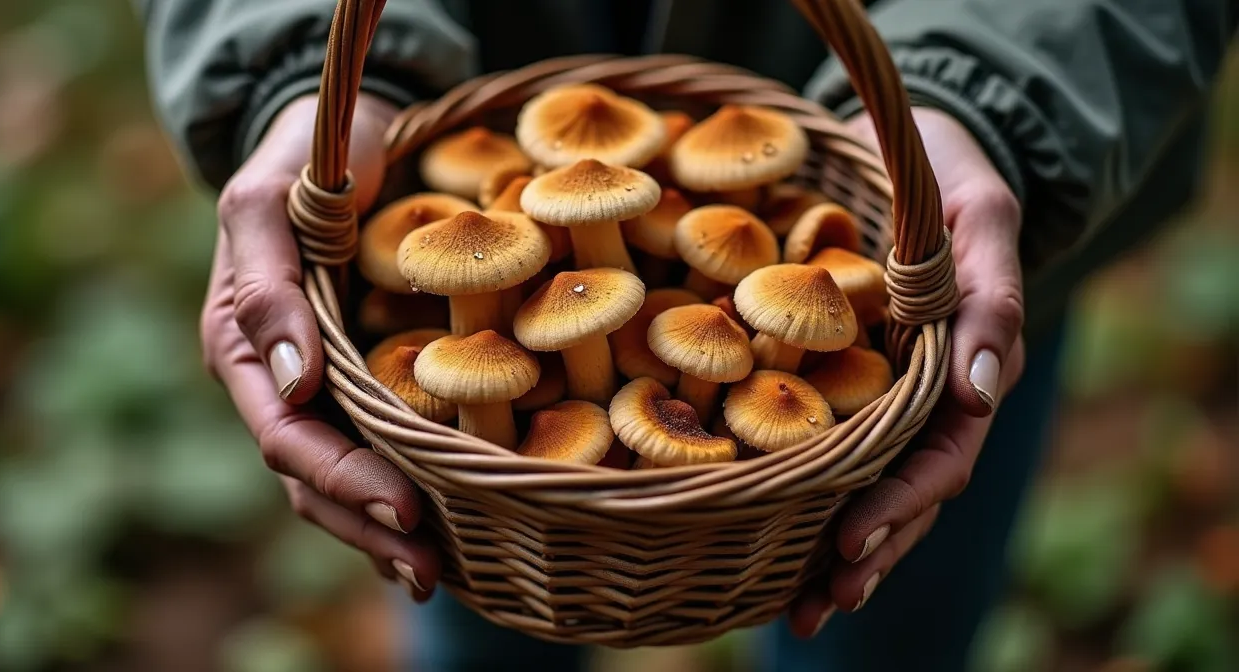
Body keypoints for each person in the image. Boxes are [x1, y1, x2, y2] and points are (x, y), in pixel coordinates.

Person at [135, 0, 1235, 669]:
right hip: (458, 97)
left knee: (891, 604)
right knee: (468, 586)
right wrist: (301, 71)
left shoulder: (736, 281)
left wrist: (978, 104)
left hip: (938, 184)